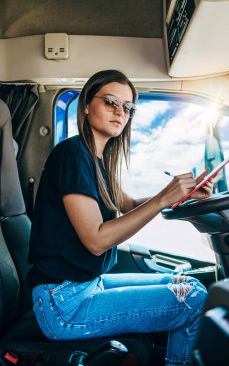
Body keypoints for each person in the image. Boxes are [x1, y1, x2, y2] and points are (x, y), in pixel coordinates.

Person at [27, 69, 213, 366]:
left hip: (88, 285)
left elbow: (128, 205)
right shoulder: (72, 154)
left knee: (187, 284)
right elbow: (96, 241)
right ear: (87, 105)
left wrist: (180, 195)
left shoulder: (99, 161)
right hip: (63, 304)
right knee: (192, 301)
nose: (120, 112)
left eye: (128, 107)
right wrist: (165, 196)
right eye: (111, 102)